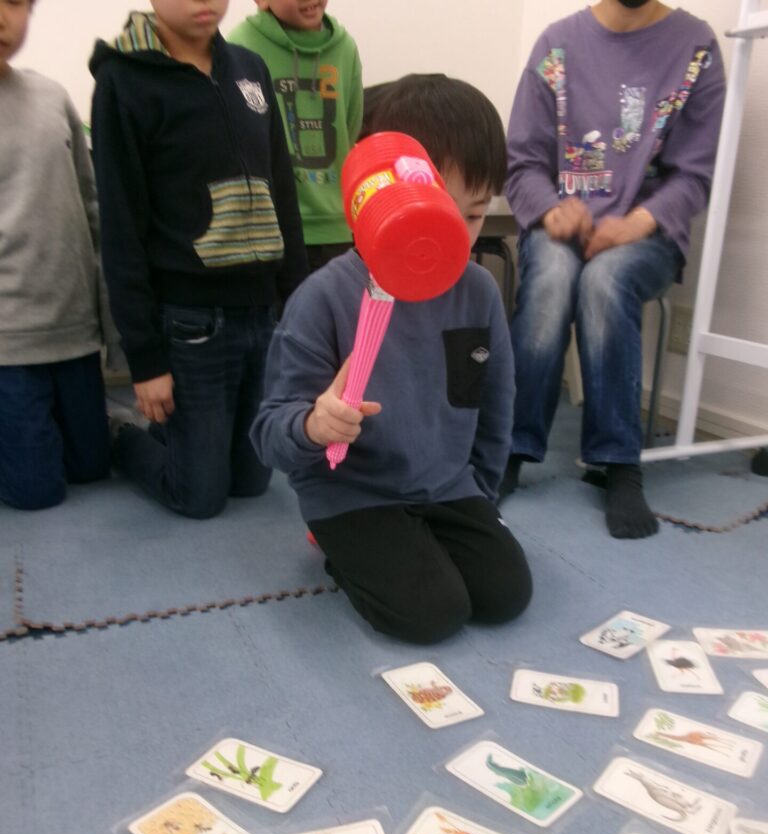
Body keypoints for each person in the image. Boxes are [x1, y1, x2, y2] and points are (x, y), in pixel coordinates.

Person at [252, 74, 532, 644]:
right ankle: (337, 548)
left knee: (506, 594)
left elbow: (495, 404)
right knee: (432, 615)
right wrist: (314, 424)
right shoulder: (324, 298)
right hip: (351, 493)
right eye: (437, 211)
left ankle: (415, 542)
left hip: (446, 486)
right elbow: (269, 435)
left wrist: (481, 494)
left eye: (474, 215)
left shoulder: (478, 291)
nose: (454, 237)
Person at [502, 0, 725, 539]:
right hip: (561, 227)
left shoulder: (697, 47)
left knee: (605, 280)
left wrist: (639, 221)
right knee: (552, 279)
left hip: (648, 237)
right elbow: (523, 164)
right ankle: (508, 449)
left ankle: (619, 463)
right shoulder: (555, 45)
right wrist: (551, 211)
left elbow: (695, 175)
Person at [89, 0, 307, 519]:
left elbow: (283, 192)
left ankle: (181, 435)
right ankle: (122, 436)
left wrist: (297, 307)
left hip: (261, 316)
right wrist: (146, 361)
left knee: (252, 483)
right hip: (192, 324)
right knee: (199, 497)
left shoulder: (250, 69)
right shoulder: (123, 81)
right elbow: (121, 229)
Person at [0, 0, 110, 511]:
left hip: (73, 331)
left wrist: (107, 319)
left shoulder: (51, 96)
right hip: (8, 345)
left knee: (92, 469)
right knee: (37, 492)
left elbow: (92, 206)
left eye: (14, 2)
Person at [229, 0, 363, 274]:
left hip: (334, 227)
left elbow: (350, 127)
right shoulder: (241, 45)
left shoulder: (345, 48)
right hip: (269, 225)